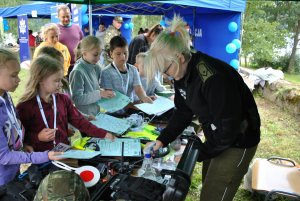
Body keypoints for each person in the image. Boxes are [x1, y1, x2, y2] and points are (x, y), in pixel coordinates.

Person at [144, 16, 261, 201]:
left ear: (180, 58)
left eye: (165, 70)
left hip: (238, 140)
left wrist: (201, 152)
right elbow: (183, 111)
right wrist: (163, 140)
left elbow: (229, 129)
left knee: (213, 195)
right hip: (217, 135)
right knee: (209, 183)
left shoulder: (213, 79)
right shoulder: (181, 74)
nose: (166, 77)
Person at [16, 55, 115, 152]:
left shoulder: (63, 100)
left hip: (65, 155)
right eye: (56, 81)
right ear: (40, 79)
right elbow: (20, 137)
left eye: (61, 80)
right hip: (41, 160)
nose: (60, 84)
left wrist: (104, 134)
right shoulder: (25, 107)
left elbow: (80, 122)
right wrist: (37, 137)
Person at [0, 48, 62, 185]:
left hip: (12, 171)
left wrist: (23, 145)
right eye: (13, 75)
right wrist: (45, 156)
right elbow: (3, 156)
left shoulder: (6, 97)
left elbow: (14, 127)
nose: (18, 80)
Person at [69, 36, 115, 116]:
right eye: (95, 55)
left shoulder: (96, 67)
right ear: (84, 53)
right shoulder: (77, 72)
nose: (98, 59)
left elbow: (95, 88)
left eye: (99, 55)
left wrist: (106, 92)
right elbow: (77, 99)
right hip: (85, 116)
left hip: (96, 112)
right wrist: (99, 94)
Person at [101, 36, 152, 103]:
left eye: (125, 53)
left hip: (131, 108)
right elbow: (110, 96)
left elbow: (138, 89)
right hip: (114, 110)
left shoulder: (133, 69)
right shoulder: (106, 72)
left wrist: (144, 98)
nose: (123, 57)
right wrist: (130, 105)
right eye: (118, 54)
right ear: (111, 54)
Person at [57, 5, 84, 76]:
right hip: (62, 66)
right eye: (63, 17)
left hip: (78, 65)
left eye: (68, 16)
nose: (66, 19)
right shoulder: (55, 29)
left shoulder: (77, 28)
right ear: (58, 17)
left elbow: (83, 43)